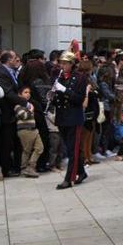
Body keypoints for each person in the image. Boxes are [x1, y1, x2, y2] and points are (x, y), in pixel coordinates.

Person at [52, 48, 87, 190]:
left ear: (72, 64)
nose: (63, 66)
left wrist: (64, 90)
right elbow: (57, 98)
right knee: (71, 147)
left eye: (66, 63)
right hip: (61, 117)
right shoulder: (59, 77)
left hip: (74, 117)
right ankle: (82, 172)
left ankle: (69, 178)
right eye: (61, 63)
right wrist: (53, 95)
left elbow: (79, 99)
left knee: (72, 149)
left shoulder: (80, 78)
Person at [0, 50, 26, 177]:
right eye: (14, 58)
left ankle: (16, 166)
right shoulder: (1, 73)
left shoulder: (10, 72)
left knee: (15, 142)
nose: (16, 60)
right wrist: (24, 102)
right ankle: (7, 168)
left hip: (13, 112)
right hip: (6, 113)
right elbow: (8, 93)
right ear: (9, 60)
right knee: (7, 143)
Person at [15, 86, 44, 178]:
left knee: (40, 147)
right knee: (27, 150)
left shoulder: (29, 104)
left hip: (33, 129)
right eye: (25, 92)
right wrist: (31, 111)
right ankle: (24, 168)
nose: (28, 94)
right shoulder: (18, 105)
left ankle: (31, 166)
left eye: (29, 92)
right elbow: (23, 116)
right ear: (19, 94)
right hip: (25, 130)